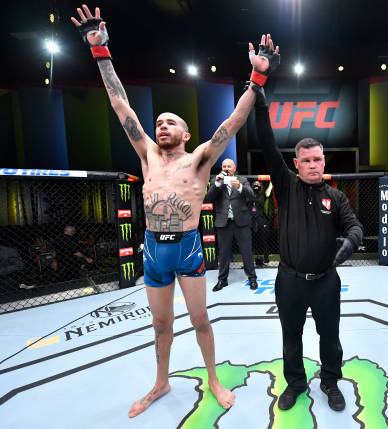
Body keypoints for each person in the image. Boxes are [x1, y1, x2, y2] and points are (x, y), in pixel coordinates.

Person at [71, 4, 279, 417]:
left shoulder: (200, 159)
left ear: (186, 133)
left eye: (170, 123)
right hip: (153, 248)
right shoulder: (147, 154)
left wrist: (258, 76)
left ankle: (214, 379)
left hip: (186, 246)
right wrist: (100, 51)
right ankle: (161, 382)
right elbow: (120, 105)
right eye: (159, 123)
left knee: (201, 321)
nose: (162, 126)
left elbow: (235, 121)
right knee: (161, 324)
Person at [252, 86, 363, 412]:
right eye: (307, 160)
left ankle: (330, 381)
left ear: (323, 160)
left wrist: (351, 241)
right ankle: (296, 383)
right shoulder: (286, 186)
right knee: (291, 338)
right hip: (290, 281)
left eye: (318, 159)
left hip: (326, 281)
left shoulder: (336, 197)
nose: (313, 165)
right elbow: (267, 143)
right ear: (296, 163)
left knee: (330, 338)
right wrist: (260, 102)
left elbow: (355, 226)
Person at [204, 159, 258, 291]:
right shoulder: (216, 180)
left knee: (246, 251)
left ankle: (252, 278)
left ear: (234, 168)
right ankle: (222, 280)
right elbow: (208, 199)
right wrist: (217, 183)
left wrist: (239, 187)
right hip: (224, 223)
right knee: (223, 253)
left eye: (229, 166)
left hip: (241, 222)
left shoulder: (242, 180)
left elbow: (252, 196)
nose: (226, 168)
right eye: (224, 166)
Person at [250, 180, 273, 266]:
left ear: (261, 186)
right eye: (255, 183)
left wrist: (272, 182)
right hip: (251, 220)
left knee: (264, 240)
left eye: (258, 184)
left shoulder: (263, 195)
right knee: (249, 241)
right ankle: (249, 260)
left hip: (261, 220)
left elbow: (269, 189)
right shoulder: (248, 195)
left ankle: (266, 259)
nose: (256, 185)